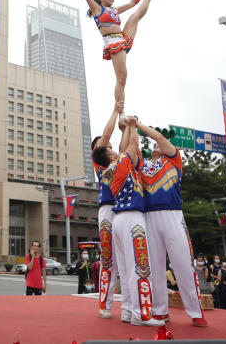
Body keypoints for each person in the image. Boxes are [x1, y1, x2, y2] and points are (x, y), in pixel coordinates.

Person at [91, 115, 163, 327]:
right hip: (128, 216)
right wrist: (132, 126)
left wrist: (126, 129)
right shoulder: (116, 162)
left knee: (124, 267)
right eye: (111, 148)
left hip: (120, 216)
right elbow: (131, 146)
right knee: (137, 265)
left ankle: (128, 309)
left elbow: (126, 149)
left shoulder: (113, 168)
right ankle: (141, 313)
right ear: (108, 154)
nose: (114, 149)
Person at [135, 121, 207, 327]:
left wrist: (138, 124)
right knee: (154, 266)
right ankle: (160, 310)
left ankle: (195, 311)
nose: (157, 146)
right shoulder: (144, 165)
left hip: (172, 214)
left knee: (183, 263)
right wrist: (129, 127)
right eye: (154, 146)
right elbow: (131, 150)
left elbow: (158, 137)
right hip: (149, 217)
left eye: (160, 145)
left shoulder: (174, 159)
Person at [71, 0, 158, 106]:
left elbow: (132, 3)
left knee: (135, 16)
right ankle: (119, 110)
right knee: (122, 79)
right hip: (113, 43)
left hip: (123, 38)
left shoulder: (115, 10)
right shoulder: (97, 9)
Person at [90, 101, 123, 319]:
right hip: (107, 211)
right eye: (106, 144)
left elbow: (127, 148)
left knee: (127, 259)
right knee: (109, 258)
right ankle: (105, 304)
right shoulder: (100, 161)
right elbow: (106, 134)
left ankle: (132, 307)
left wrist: (127, 126)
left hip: (125, 211)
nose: (109, 146)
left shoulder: (119, 161)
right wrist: (115, 110)